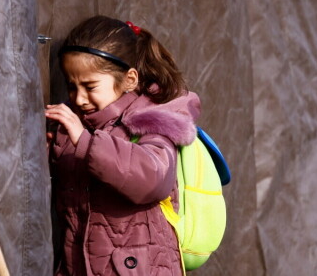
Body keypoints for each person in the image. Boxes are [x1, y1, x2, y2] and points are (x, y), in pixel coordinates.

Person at [45, 15, 201, 276]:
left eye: (90, 86)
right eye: (71, 86)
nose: (79, 98)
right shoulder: (76, 127)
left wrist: (84, 142)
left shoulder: (149, 120)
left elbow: (153, 178)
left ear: (129, 79)